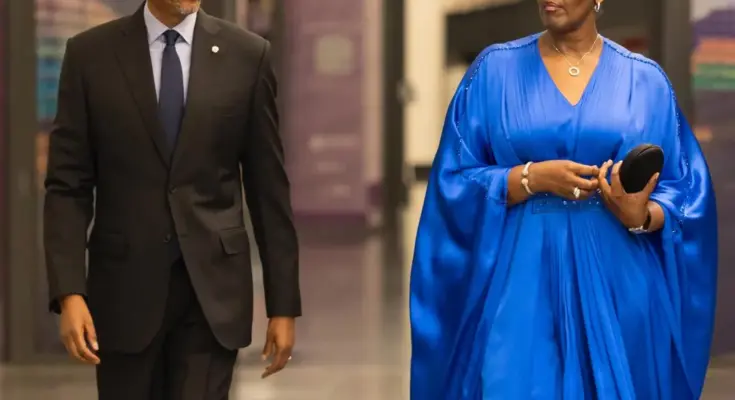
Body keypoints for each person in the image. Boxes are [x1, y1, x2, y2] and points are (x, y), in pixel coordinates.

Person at [409, 0, 717, 398]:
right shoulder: (494, 71)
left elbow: (686, 189)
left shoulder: (645, 81)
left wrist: (643, 214)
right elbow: (453, 178)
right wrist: (528, 178)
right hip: (520, 279)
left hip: (620, 281)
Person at [43, 0, 301, 398]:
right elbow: (67, 186)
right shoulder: (90, 56)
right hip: (124, 295)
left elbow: (269, 191)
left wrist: (283, 304)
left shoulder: (247, 56)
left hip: (212, 297)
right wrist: (69, 292)